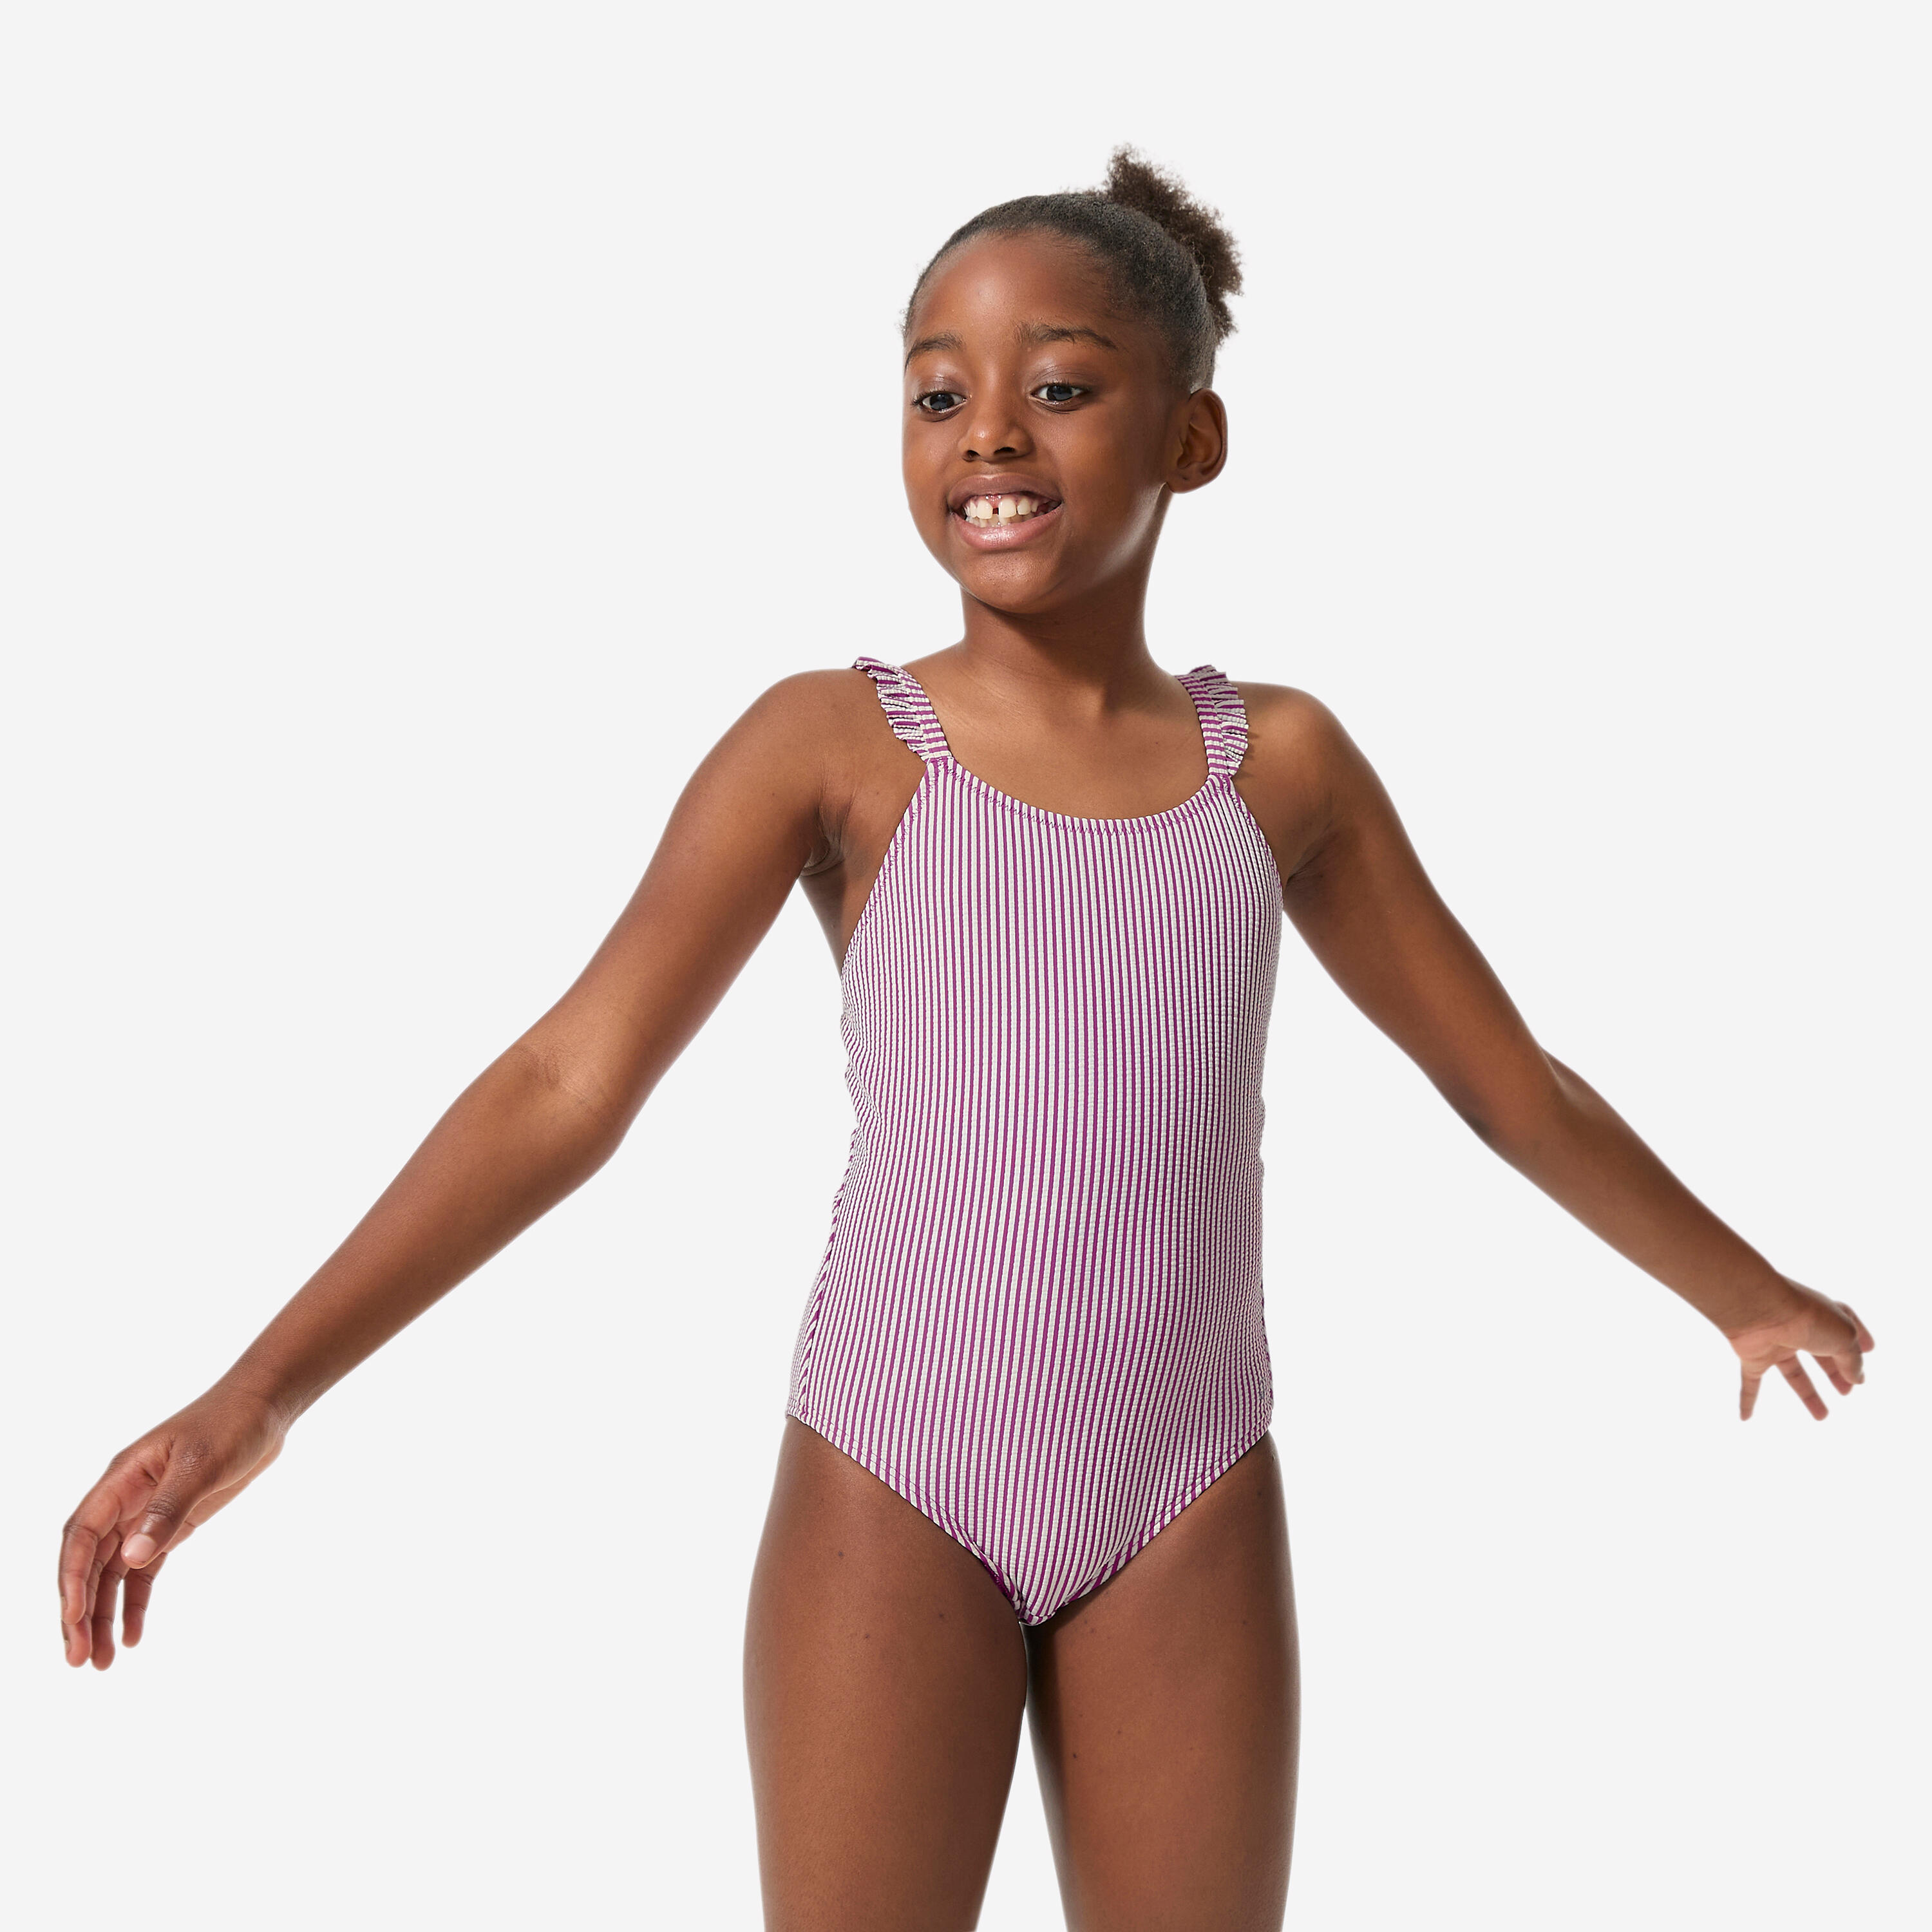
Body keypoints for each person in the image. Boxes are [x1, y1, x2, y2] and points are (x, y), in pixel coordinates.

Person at [57, 150, 1873, 1929]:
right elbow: (565, 1083)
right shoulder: (835, 743)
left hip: (1188, 1481)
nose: (989, 434)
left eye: (1059, 389)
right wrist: (257, 1396)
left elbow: (1508, 1082)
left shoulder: (1283, 764)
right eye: (940, 395)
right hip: (894, 1468)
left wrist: (1742, 1292)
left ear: (1192, 439)